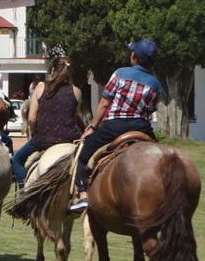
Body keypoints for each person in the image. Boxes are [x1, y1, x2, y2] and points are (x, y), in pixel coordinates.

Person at [69, 38, 162, 213]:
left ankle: (82, 196)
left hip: (114, 126)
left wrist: (94, 126)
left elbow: (105, 102)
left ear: (134, 57)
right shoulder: (156, 84)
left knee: (81, 154)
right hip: (142, 127)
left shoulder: (120, 73)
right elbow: (150, 109)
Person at [11, 59, 83, 188]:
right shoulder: (76, 91)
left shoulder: (40, 87)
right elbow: (77, 117)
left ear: (52, 71)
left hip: (44, 139)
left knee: (16, 160)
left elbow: (32, 118)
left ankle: (23, 193)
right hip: (69, 139)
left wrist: (36, 132)